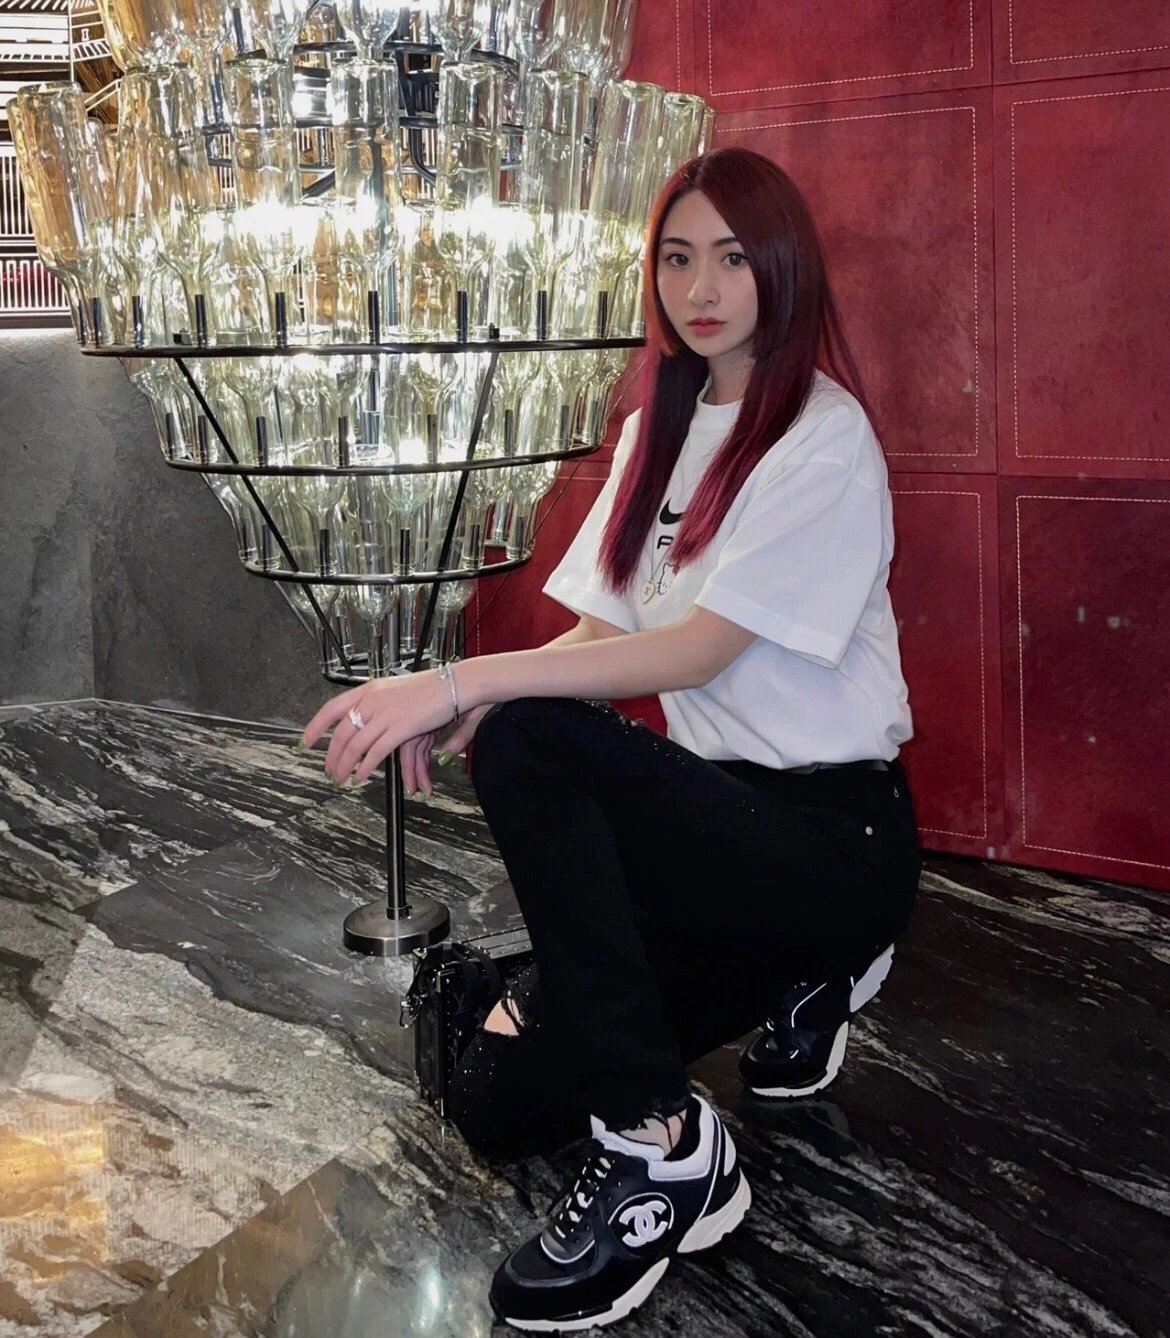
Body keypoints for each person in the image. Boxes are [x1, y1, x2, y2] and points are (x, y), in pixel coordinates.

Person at [302, 146, 922, 1333]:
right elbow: (606, 626)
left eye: (732, 258)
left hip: (830, 841)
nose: (702, 288)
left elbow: (694, 653)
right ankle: (701, 1023)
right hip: (713, 833)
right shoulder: (659, 426)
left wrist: (463, 685)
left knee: (529, 742)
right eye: (677, 259)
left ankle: (664, 1143)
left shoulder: (824, 437)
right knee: (500, 1103)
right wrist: (473, 695)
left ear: (783, 267)